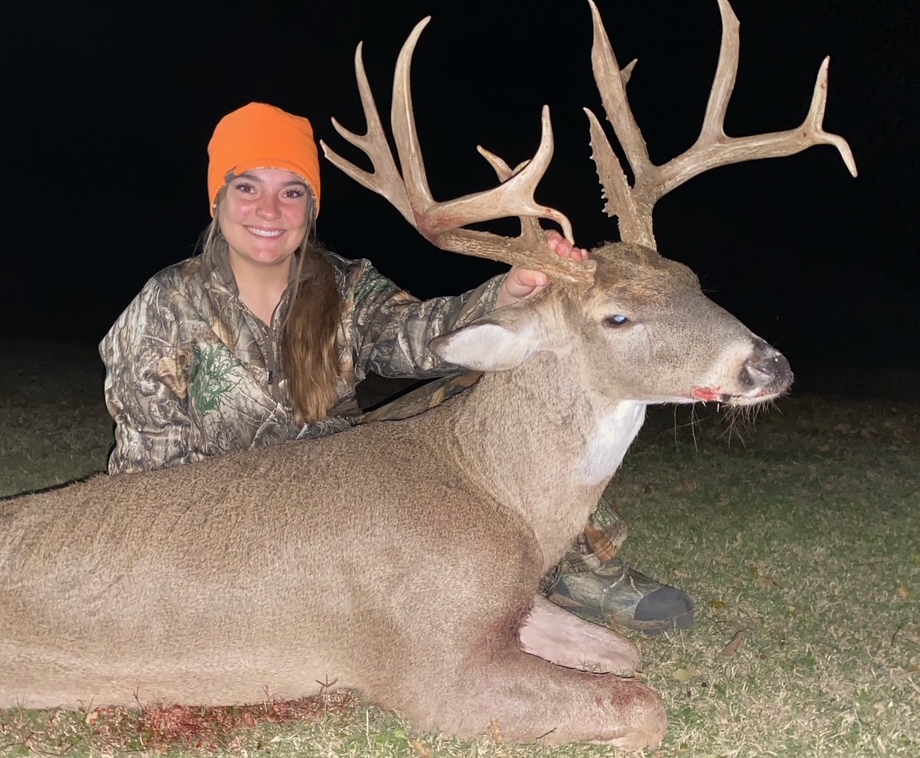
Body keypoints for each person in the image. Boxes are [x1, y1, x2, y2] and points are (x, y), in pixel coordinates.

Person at [99, 101, 694, 635]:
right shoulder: (165, 307)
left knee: (485, 380)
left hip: (344, 499)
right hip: (230, 520)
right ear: (218, 199)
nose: (269, 211)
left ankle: (573, 566)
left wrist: (511, 292)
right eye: (247, 187)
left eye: (292, 191)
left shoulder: (345, 287)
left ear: (310, 207)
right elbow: (147, 469)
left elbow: (429, 338)